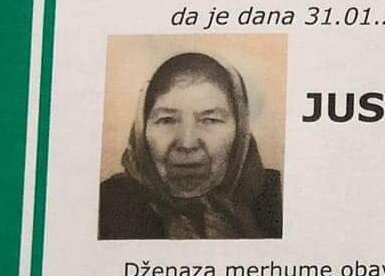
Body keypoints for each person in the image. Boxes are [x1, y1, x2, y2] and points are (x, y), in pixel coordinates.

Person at [99, 51, 282, 239]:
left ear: (240, 130)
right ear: (141, 129)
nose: (187, 143)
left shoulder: (278, 197)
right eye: (167, 120)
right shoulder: (107, 205)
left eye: (210, 120)